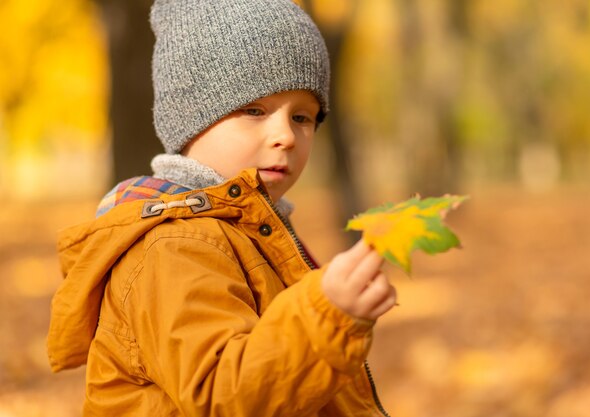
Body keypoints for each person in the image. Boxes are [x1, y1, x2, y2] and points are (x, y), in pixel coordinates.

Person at [47, 0, 397, 415]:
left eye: (303, 117)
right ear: (191, 119)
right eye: (254, 110)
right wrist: (327, 317)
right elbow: (222, 395)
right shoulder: (174, 245)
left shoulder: (250, 229)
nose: (285, 135)